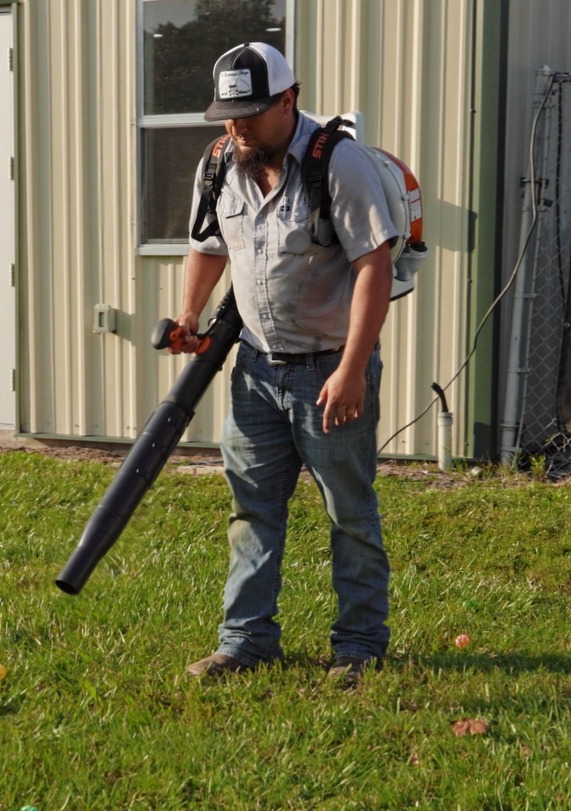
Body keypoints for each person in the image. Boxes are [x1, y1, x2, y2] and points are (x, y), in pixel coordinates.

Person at [178, 42, 398, 687]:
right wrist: (189, 315)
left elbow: (374, 266)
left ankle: (358, 647)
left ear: (288, 100)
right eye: (227, 112)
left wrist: (353, 368)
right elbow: (209, 246)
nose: (236, 125)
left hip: (329, 371)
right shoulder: (221, 163)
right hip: (254, 370)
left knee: (348, 513)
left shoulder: (340, 164)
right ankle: (245, 642)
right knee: (252, 509)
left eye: (249, 112)